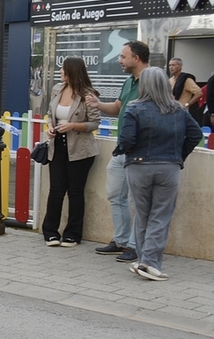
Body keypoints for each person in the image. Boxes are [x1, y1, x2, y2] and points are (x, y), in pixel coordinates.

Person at [115, 67, 203, 281]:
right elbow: (196, 135)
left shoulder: (134, 109)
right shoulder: (179, 110)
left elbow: (125, 139)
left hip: (138, 166)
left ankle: (144, 260)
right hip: (169, 168)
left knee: (143, 215)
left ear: (144, 85)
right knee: (160, 216)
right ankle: (149, 263)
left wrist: (128, 151)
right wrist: (177, 156)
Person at [86, 40, 149, 262]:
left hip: (141, 149)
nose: (119, 60)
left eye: (123, 56)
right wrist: (97, 104)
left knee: (137, 200)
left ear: (136, 58)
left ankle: (134, 245)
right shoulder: (129, 81)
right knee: (115, 194)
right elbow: (118, 107)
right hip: (122, 148)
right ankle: (121, 240)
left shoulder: (151, 81)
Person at [42, 57, 101, 247]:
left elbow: (95, 123)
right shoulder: (57, 89)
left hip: (80, 149)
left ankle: (73, 234)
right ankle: (50, 232)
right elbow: (50, 115)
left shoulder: (87, 94)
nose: (60, 71)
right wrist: (51, 127)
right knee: (56, 190)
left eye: (63, 69)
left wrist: (73, 125)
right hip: (57, 145)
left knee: (75, 192)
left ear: (72, 71)